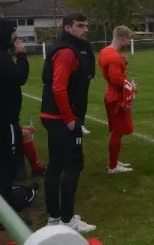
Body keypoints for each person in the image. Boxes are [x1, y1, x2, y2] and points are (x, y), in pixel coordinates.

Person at [40, 13, 96, 233]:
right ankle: (66, 219)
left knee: (55, 165)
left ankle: (54, 217)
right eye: (80, 26)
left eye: (86, 25)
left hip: (52, 116)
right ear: (67, 28)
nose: (85, 29)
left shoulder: (67, 47)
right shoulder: (65, 51)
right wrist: (70, 118)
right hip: (62, 118)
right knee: (73, 164)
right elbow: (58, 87)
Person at [0, 18, 29, 216]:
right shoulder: (1, 57)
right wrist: (22, 56)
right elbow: (19, 78)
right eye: (13, 31)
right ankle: (6, 213)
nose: (16, 35)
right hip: (5, 120)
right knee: (8, 164)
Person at [98, 26, 137, 174]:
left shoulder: (105, 51)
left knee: (116, 131)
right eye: (128, 39)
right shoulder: (114, 56)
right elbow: (116, 80)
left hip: (110, 95)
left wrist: (123, 65)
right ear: (122, 38)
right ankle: (113, 166)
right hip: (116, 98)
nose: (128, 43)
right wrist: (131, 87)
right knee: (117, 132)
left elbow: (110, 73)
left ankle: (114, 162)